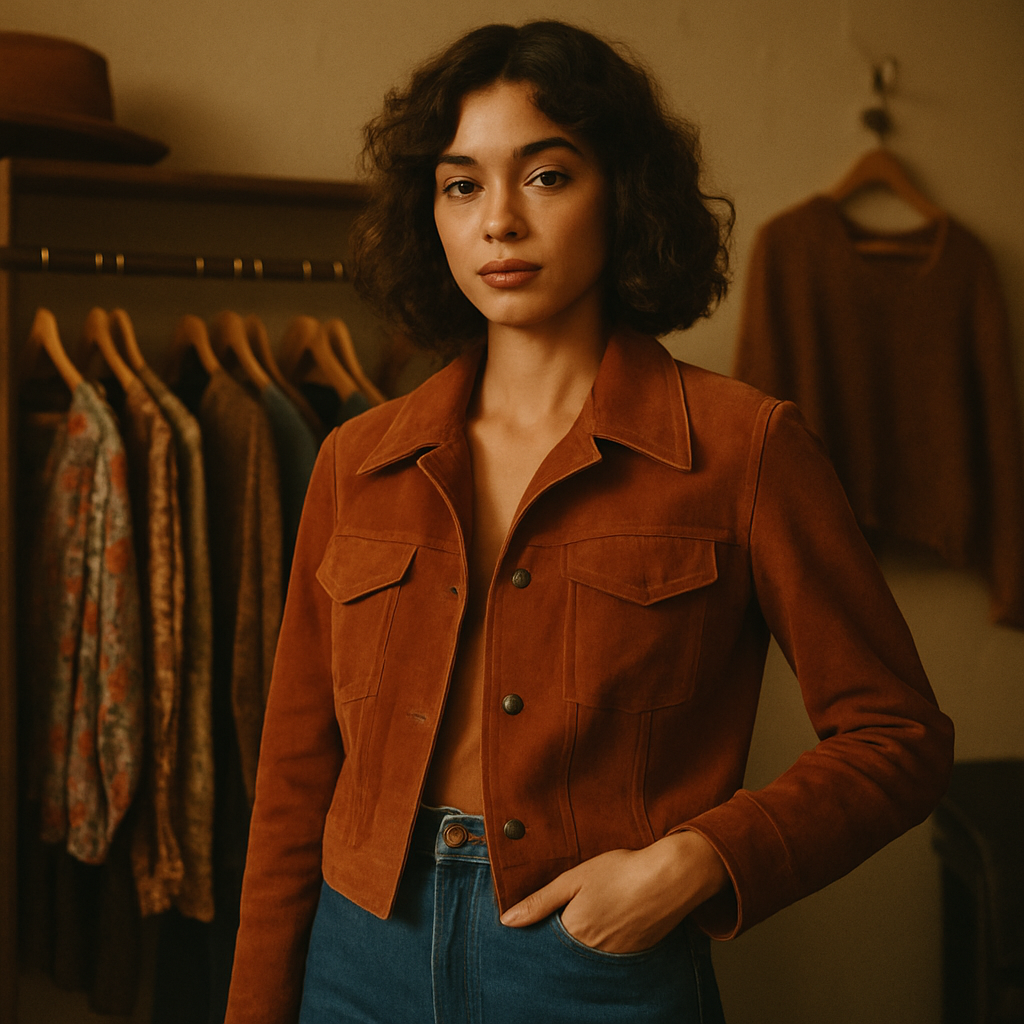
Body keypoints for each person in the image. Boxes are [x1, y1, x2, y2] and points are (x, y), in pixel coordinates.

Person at [225, 20, 954, 1024]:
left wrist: (697, 861)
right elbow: (295, 776)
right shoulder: (359, 458)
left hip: (592, 964)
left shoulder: (745, 448)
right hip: (359, 957)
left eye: (546, 176)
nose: (498, 224)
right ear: (428, 215)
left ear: (623, 191)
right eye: (461, 184)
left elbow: (896, 734)